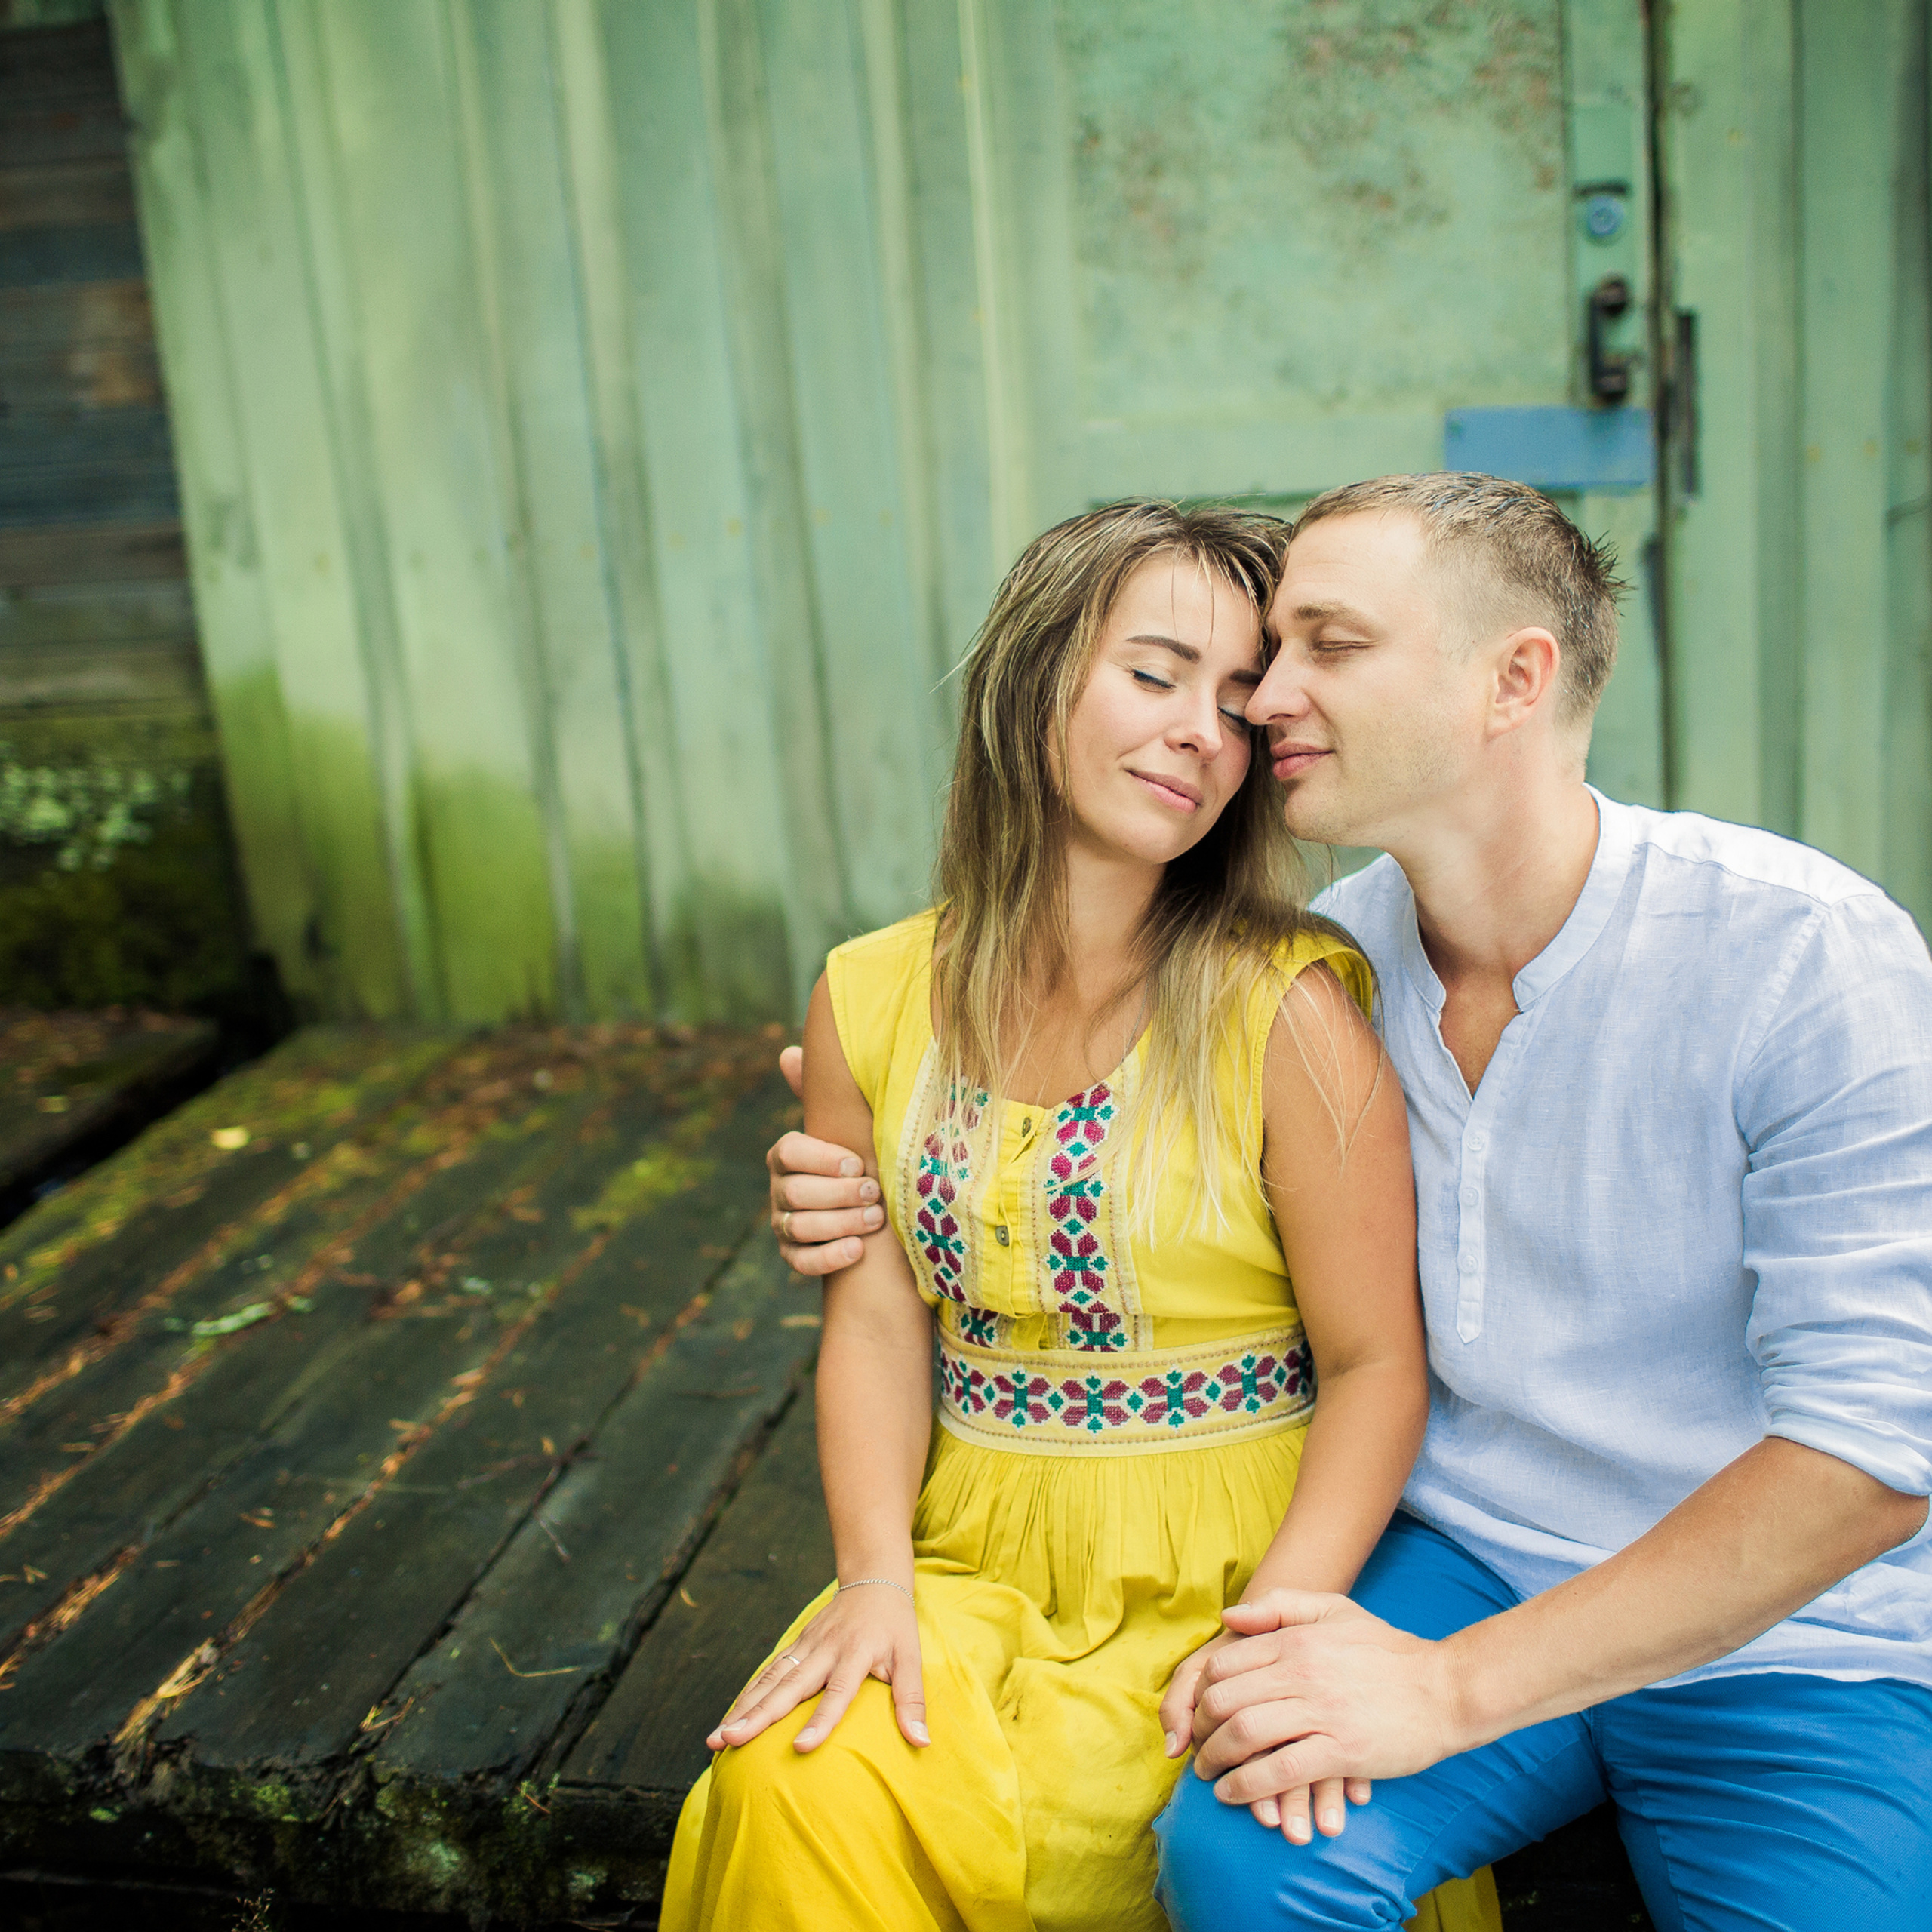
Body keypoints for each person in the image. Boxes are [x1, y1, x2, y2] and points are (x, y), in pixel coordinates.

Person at [774, 473, 1932, 1931]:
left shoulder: (1802, 955)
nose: (1261, 705)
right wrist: (871, 1166)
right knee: (1240, 1867)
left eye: (1325, 647)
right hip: (1461, 1560)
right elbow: (1056, 1126)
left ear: (1514, 680)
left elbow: (1876, 1446)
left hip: (1786, 1644)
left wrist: (1447, 1691)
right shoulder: (1329, 964)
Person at [665, 501, 1499, 1932]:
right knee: (797, 1782)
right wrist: (872, 1580)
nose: (1198, 734)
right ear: (1035, 676)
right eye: (1155, 674)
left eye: (1235, 705)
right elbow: (876, 1326)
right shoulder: (871, 994)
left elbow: (1375, 1365)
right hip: (969, 1558)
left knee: (1151, 1846)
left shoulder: (1284, 1009)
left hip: (1232, 1565)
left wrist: (1276, 1634)